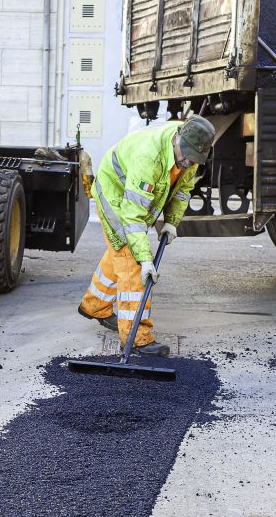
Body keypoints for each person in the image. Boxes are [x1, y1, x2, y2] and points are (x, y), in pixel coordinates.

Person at [78, 115, 216, 355]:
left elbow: (183, 191)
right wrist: (144, 260)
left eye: (194, 159)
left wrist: (171, 223)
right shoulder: (148, 158)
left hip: (135, 199)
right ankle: (138, 338)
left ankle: (95, 305)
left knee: (118, 251)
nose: (187, 162)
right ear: (178, 138)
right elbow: (132, 217)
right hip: (116, 195)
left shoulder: (189, 153)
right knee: (131, 261)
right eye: (186, 155)